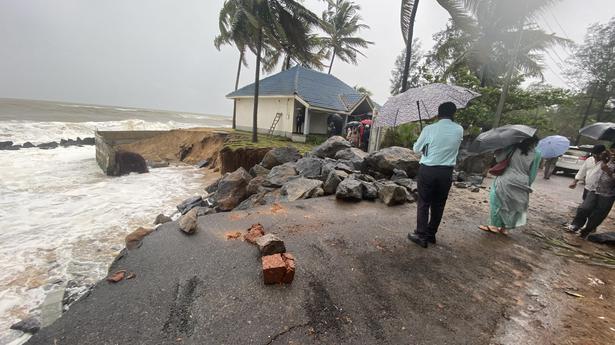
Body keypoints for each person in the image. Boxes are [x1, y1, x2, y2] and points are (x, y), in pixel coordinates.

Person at [408, 102, 464, 248]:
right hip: (446, 172)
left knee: (424, 202)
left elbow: (416, 149)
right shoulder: (459, 129)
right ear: (453, 114)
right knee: (439, 204)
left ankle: (421, 235)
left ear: (438, 113)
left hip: (428, 170)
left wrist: (425, 145)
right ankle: (431, 234)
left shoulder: (429, 129)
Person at [479, 136, 541, 235]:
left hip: (506, 178)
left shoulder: (513, 147)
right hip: (523, 181)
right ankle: (505, 228)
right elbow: (533, 173)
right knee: (513, 206)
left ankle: (493, 225)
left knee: (497, 201)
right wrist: (527, 185)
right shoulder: (537, 154)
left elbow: (499, 159)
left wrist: (499, 150)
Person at [566, 145, 615, 238]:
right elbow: (583, 171)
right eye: (612, 151)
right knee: (584, 208)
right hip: (593, 189)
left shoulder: (608, 162)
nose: (613, 154)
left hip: (608, 194)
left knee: (598, 214)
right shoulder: (603, 160)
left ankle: (587, 230)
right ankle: (576, 225)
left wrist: (608, 171)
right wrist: (576, 181)